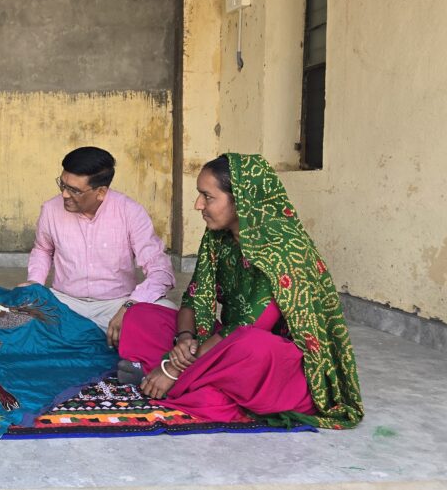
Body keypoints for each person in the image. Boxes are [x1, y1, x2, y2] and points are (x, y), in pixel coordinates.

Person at [120, 154, 363, 428]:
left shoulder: (283, 249)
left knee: (249, 345)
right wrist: (183, 340)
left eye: (207, 197)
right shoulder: (218, 237)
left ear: (241, 200)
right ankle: (197, 385)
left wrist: (173, 367)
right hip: (221, 346)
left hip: (273, 366)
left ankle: (178, 382)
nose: (198, 205)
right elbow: (193, 297)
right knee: (141, 315)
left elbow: (249, 326)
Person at [22, 146, 176, 348]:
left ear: (101, 192)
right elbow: (43, 249)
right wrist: (34, 283)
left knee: (167, 312)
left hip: (116, 305)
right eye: (63, 185)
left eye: (75, 190)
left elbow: (161, 271)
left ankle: (74, 339)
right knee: (13, 313)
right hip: (64, 303)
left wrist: (130, 306)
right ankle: (100, 340)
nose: (65, 195)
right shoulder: (50, 209)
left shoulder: (130, 212)